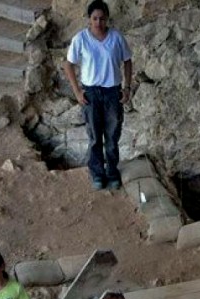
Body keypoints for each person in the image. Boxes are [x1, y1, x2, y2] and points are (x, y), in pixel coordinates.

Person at [63, 0, 134, 190]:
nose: (98, 23)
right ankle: (97, 174)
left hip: (112, 92)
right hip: (91, 93)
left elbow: (127, 61)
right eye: (94, 18)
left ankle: (112, 172)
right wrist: (77, 91)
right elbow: (68, 64)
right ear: (89, 19)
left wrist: (127, 88)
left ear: (107, 19)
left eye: (102, 19)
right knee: (94, 136)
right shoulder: (81, 39)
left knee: (112, 135)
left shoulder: (116, 38)